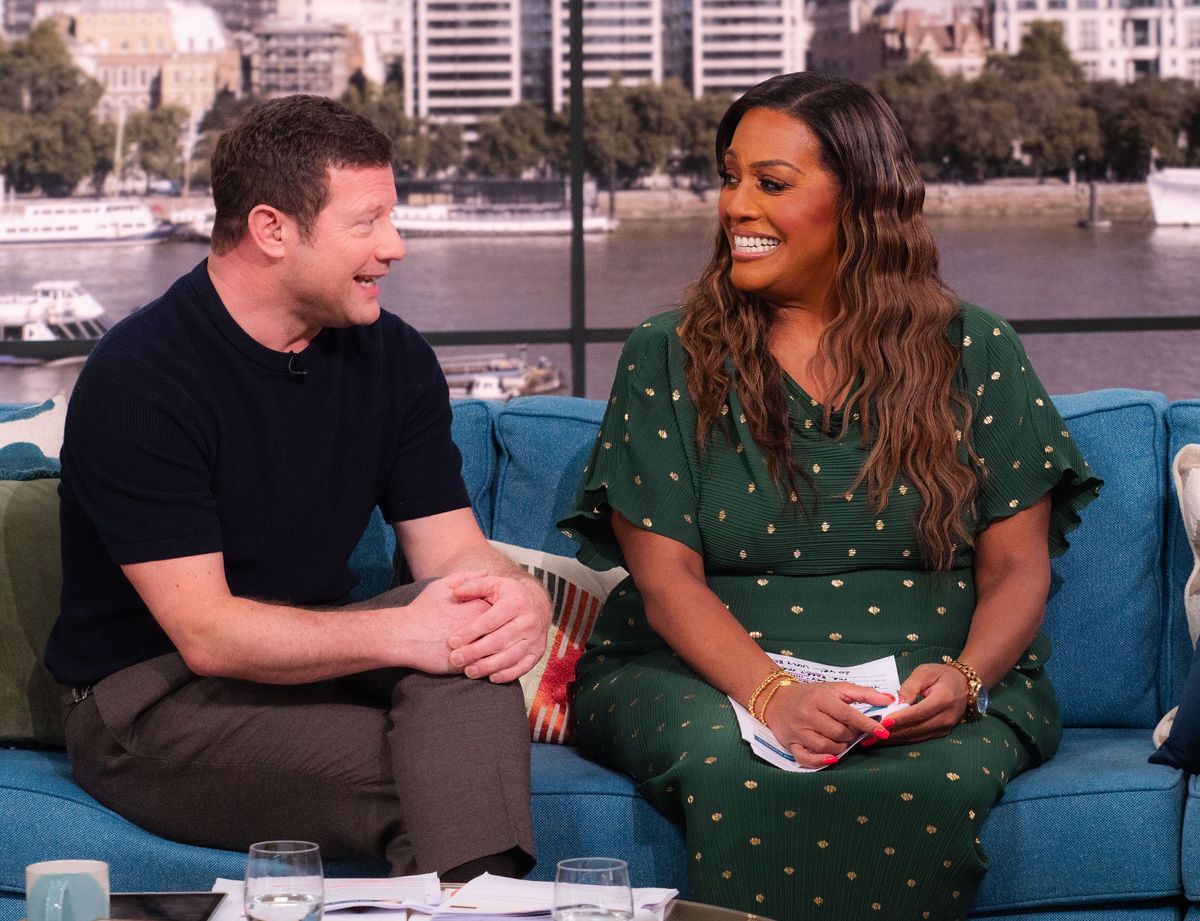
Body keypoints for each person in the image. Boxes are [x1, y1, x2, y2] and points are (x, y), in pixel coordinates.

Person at [559, 72, 1102, 919]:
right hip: (702, 676)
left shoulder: (975, 349)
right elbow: (666, 585)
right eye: (730, 177)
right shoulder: (666, 353)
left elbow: (1017, 572)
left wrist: (964, 678)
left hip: (934, 682)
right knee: (735, 766)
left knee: (935, 775)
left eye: (771, 184)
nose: (736, 205)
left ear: (864, 203)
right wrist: (773, 695)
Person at [45, 95, 549, 881]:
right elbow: (208, 634)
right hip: (150, 701)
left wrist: (520, 598)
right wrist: (402, 633)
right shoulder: (142, 378)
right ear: (273, 228)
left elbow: (455, 553)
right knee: (454, 780)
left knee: (469, 624)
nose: (396, 246)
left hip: (311, 657)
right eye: (368, 221)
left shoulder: (394, 358)